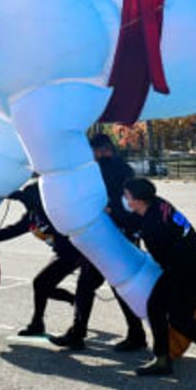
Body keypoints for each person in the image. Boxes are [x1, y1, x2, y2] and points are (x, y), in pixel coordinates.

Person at [123, 177, 196, 376]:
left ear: (139, 200)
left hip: (186, 272)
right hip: (194, 267)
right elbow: (138, 220)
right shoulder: (159, 204)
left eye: (127, 196)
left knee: (160, 309)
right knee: (175, 316)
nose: (125, 200)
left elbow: (160, 258)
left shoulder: (152, 227)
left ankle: (164, 360)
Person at [50, 133, 147, 352]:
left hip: (110, 238)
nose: (96, 155)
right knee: (96, 286)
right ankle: (131, 333)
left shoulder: (105, 171)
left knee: (97, 286)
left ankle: (84, 332)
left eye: (97, 151)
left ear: (103, 150)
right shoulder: (122, 169)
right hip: (115, 237)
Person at [0, 181, 77, 336]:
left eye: (29, 198)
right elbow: (10, 231)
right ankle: (74, 300)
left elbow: (30, 198)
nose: (26, 203)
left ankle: (38, 323)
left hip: (75, 252)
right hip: (62, 253)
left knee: (40, 283)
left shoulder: (51, 212)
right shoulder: (31, 216)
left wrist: (20, 195)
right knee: (43, 286)